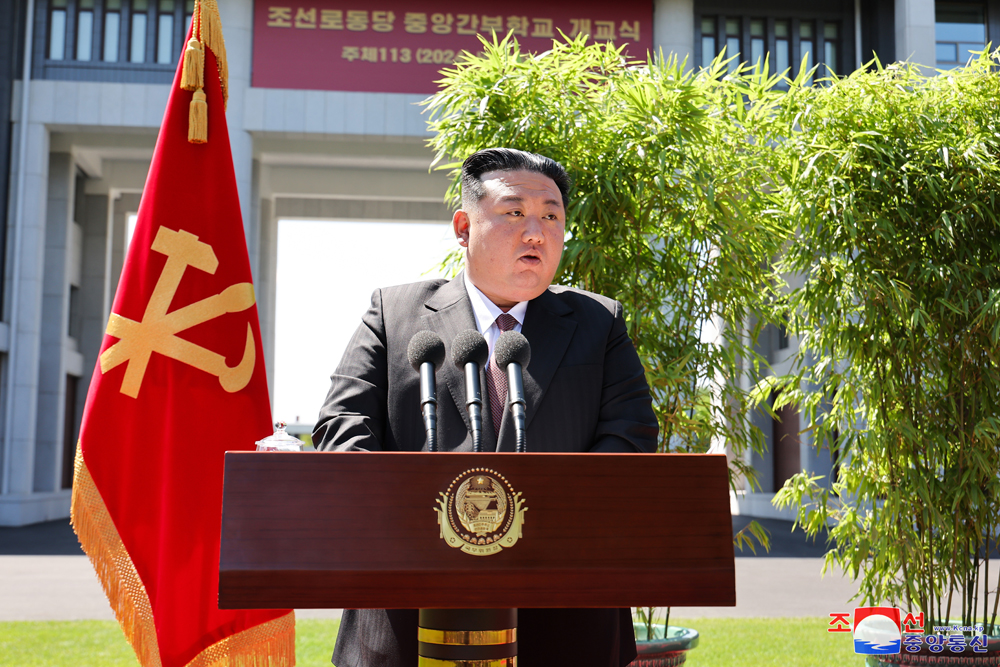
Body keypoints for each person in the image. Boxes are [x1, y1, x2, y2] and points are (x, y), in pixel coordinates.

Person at [314, 147, 658, 667]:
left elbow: (629, 439)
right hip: (408, 613)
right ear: (463, 226)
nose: (537, 232)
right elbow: (341, 425)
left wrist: (537, 527)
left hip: (563, 616)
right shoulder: (395, 314)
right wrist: (406, 518)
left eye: (551, 216)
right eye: (515, 212)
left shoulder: (598, 324)